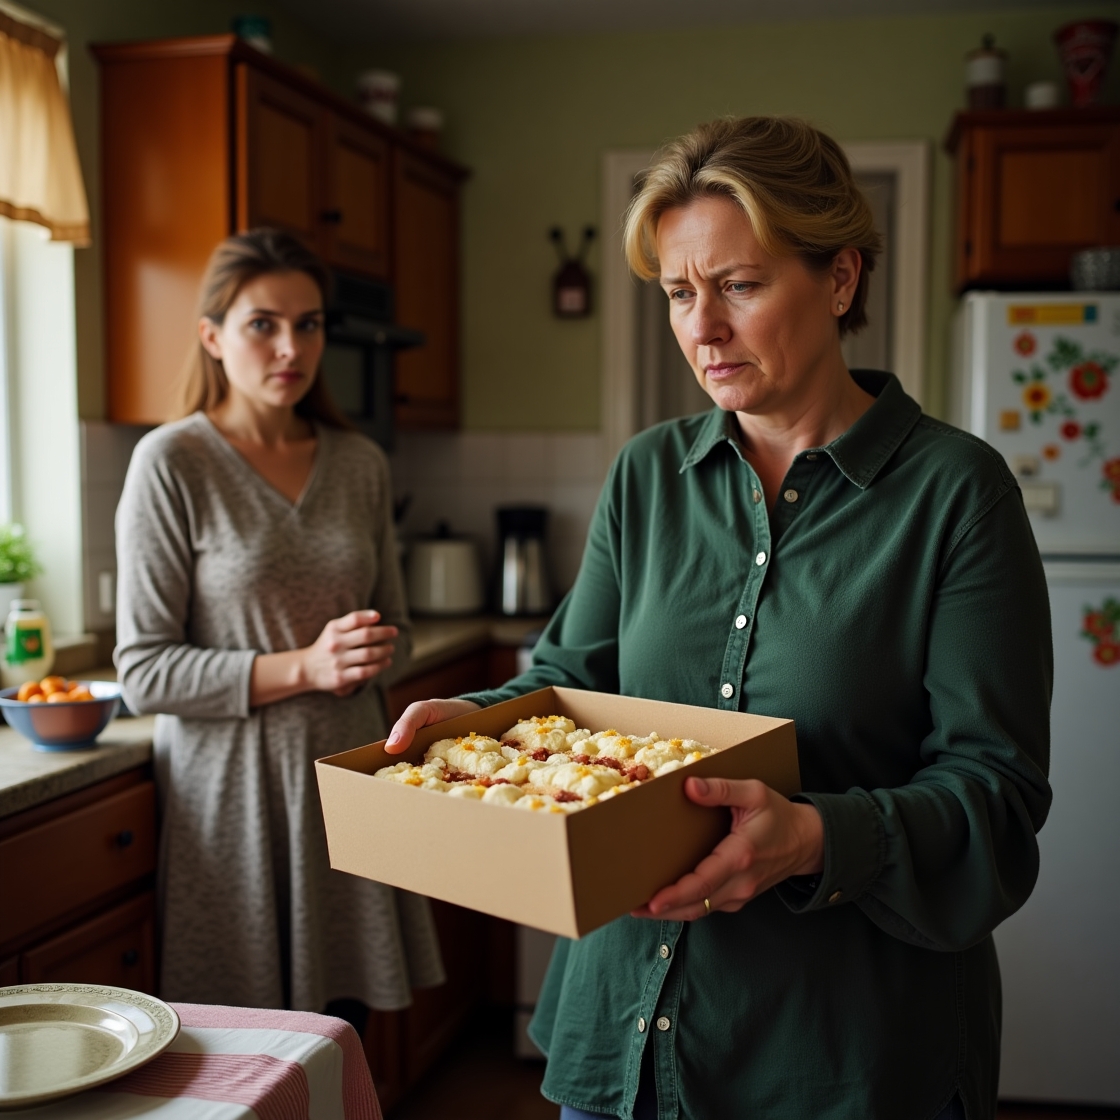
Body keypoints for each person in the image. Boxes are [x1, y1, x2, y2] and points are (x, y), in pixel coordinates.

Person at [384, 118, 1052, 1120]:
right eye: (677, 293)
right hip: (622, 1035)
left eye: (738, 285)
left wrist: (814, 837)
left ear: (840, 279)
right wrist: (476, 724)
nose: (702, 328)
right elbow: (565, 683)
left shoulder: (957, 494)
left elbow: (994, 797)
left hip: (839, 1058)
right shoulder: (646, 475)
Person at [116, 229, 444, 1024]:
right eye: (263, 324)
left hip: (350, 776)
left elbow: (397, 625)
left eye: (309, 324)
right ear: (212, 336)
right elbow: (144, 672)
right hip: (234, 800)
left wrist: (374, 650)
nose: (291, 347)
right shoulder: (172, 463)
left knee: (348, 1032)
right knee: (246, 1049)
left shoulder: (360, 463)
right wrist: (306, 666)